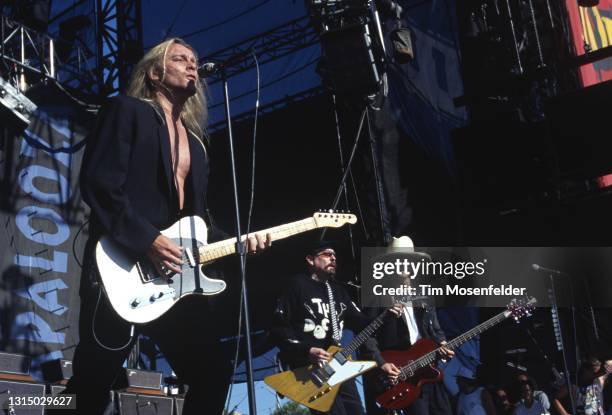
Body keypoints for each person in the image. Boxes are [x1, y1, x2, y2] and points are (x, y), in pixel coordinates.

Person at [57, 38, 270, 415]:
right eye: (180, 59)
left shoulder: (198, 146)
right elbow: (99, 183)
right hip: (122, 264)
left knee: (212, 371)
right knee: (94, 377)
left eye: (195, 59)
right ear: (155, 73)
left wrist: (239, 242)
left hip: (175, 280)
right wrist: (148, 241)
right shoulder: (126, 111)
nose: (192, 66)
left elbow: (198, 224)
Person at [270, 240, 401, 415]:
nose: (333, 258)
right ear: (310, 260)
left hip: (339, 363)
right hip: (310, 369)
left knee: (356, 411)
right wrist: (307, 350)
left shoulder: (338, 291)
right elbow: (278, 327)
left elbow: (362, 324)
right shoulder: (297, 284)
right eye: (326, 254)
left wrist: (386, 316)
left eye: (334, 255)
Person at [361, 236, 455, 415]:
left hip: (429, 368)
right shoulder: (378, 298)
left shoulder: (425, 296)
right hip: (403, 372)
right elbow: (367, 336)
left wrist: (443, 343)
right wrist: (382, 363)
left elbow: (435, 329)